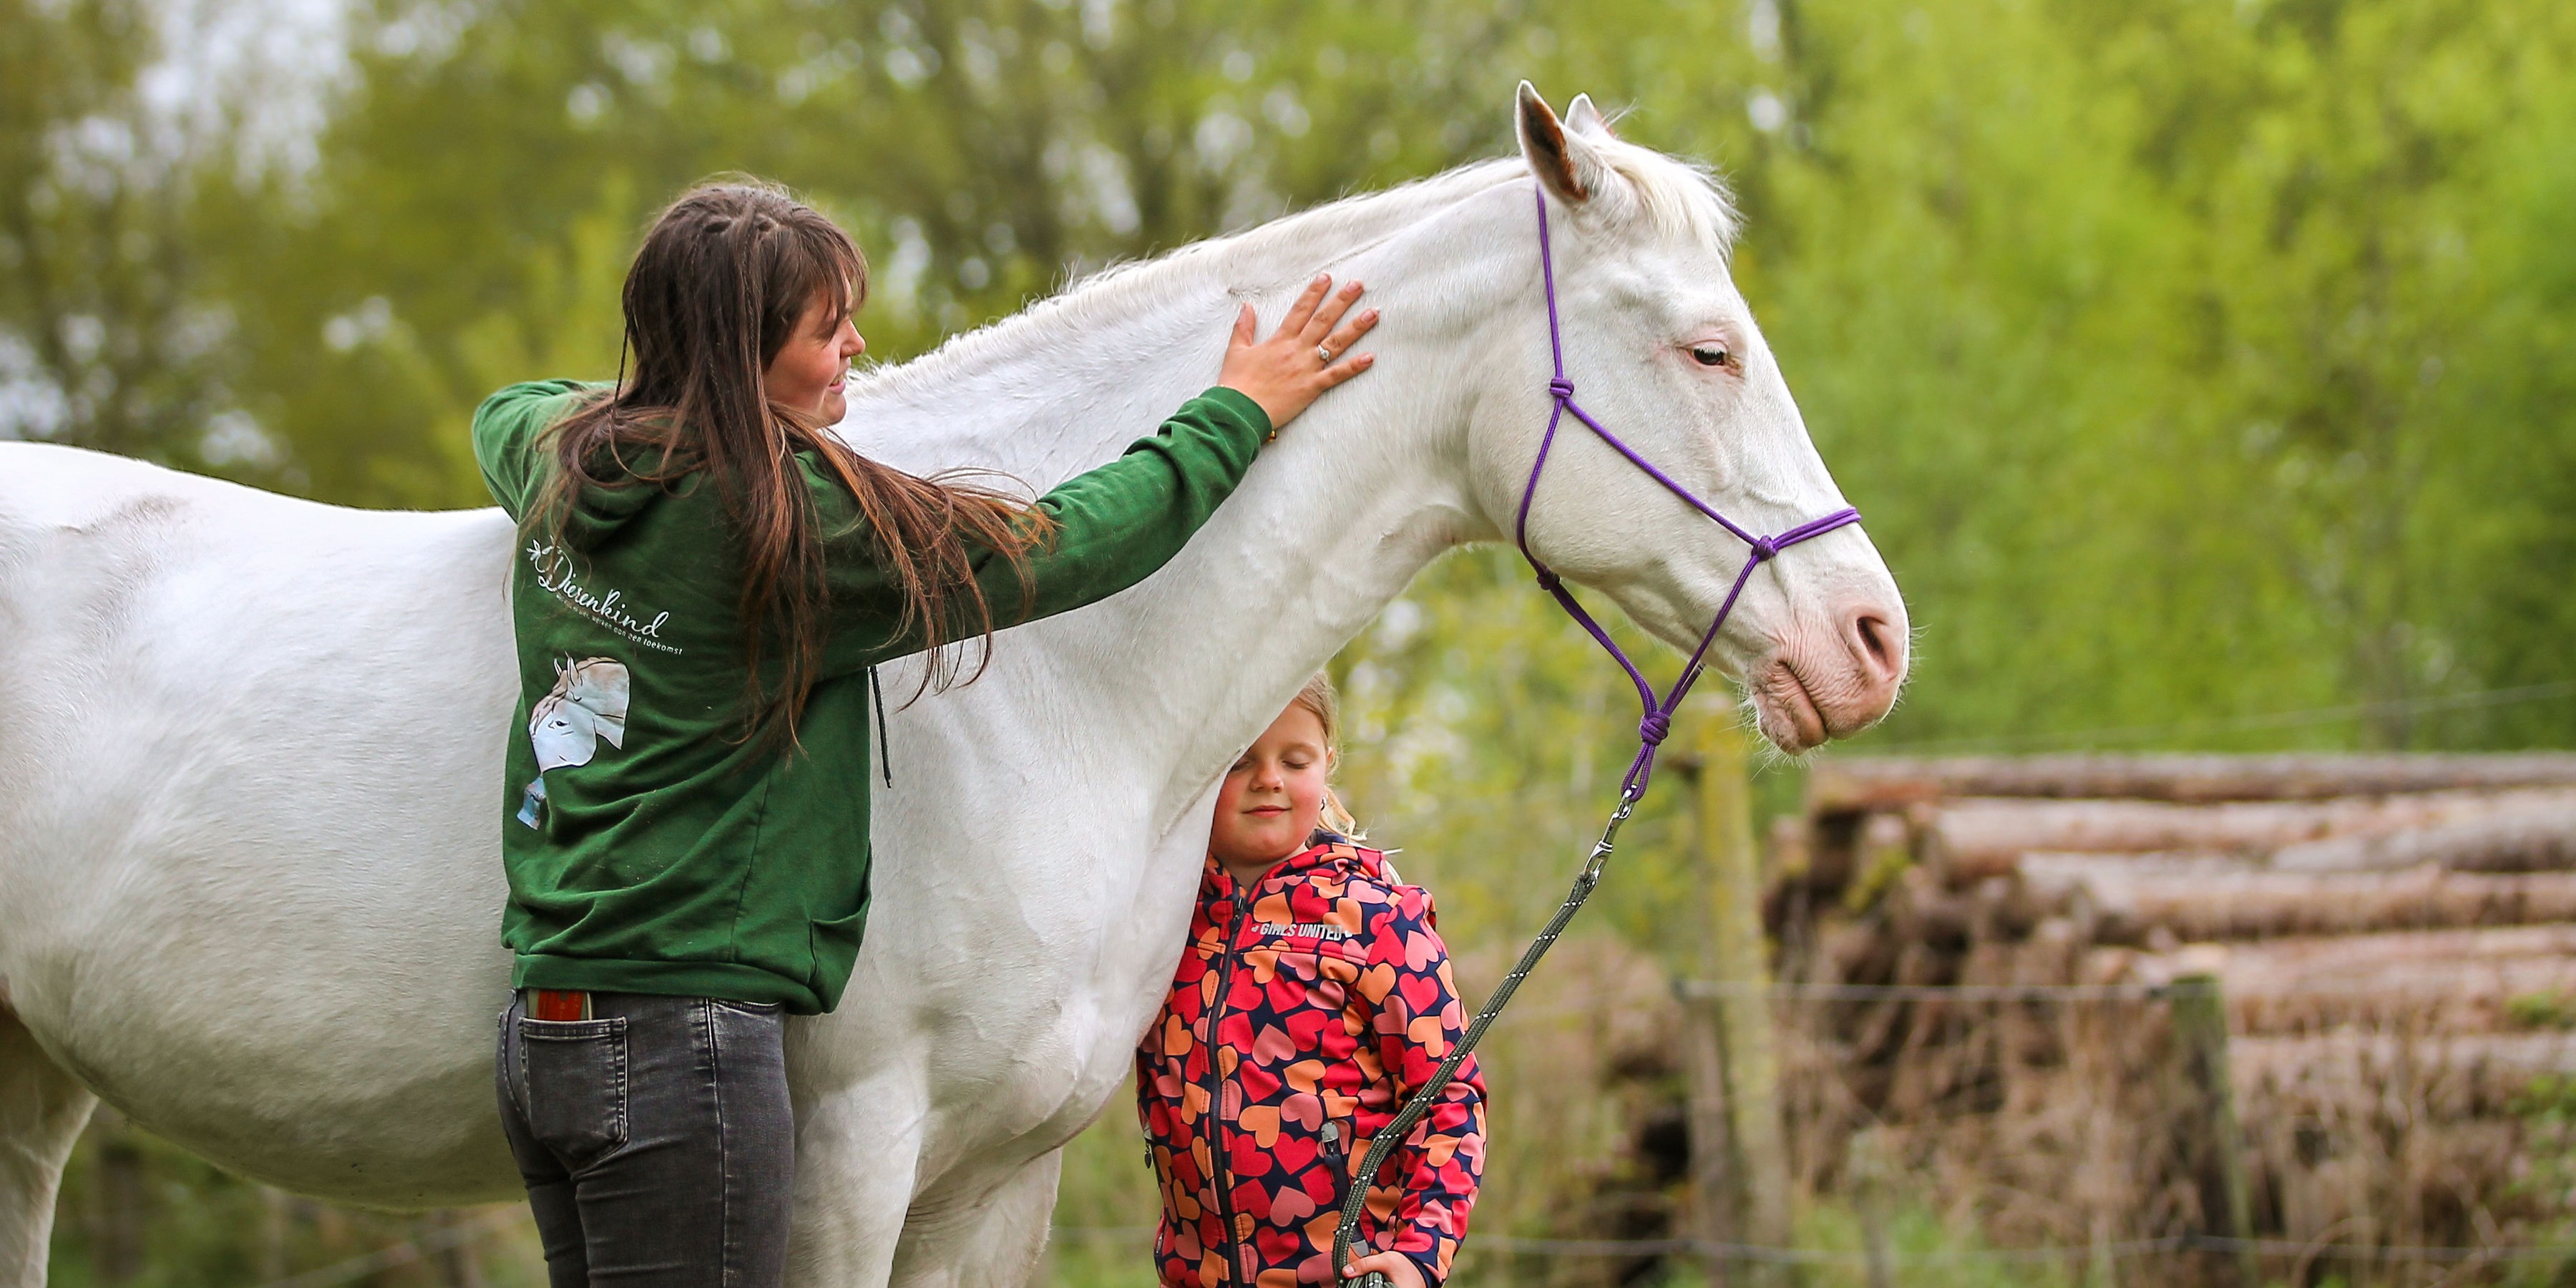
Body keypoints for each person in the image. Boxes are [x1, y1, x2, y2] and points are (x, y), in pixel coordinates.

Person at [472, 178, 1380, 1288]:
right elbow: (1070, 544)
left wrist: (675, 403)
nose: (857, 341)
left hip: (547, 1042)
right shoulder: (793, 537)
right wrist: (1239, 410)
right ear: (740, 351)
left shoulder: (566, 466)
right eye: (824, 328)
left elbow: (504, 406)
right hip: (681, 1050)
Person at [1136, 673, 1485, 1288]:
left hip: (1348, 1274)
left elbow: (1449, 1102)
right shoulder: (1158, 918)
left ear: (1327, 765)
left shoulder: (1376, 918)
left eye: (1293, 760)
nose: (1268, 778)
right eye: (1239, 761)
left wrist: (1421, 1252)